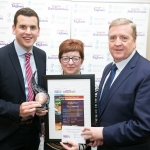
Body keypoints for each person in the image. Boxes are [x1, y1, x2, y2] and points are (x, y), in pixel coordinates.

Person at [80, 18, 150, 150]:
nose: (117, 43)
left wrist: (102, 133)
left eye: (124, 38)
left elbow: (144, 126)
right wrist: (100, 137)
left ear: (134, 41)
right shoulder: (108, 69)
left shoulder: (146, 72)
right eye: (112, 38)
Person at [0, 8, 47, 150]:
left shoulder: (41, 55)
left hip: (33, 132)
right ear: (14, 29)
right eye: (22, 27)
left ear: (38, 30)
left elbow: (40, 89)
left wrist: (42, 104)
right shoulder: (1, 57)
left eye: (32, 27)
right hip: (6, 135)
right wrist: (17, 110)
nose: (28, 32)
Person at [44, 39, 98, 150]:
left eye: (75, 58)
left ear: (82, 60)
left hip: (81, 146)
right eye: (65, 58)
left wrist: (82, 146)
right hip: (53, 146)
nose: (70, 62)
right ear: (60, 60)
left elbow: (95, 120)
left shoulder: (93, 88)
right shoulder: (49, 87)